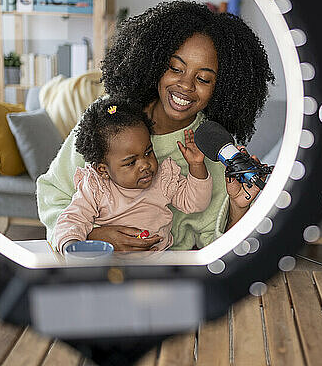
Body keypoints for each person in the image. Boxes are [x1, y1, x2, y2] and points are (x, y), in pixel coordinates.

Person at [37, 0, 274, 251]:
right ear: (156, 63)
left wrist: (239, 208)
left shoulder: (212, 146)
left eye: (203, 78)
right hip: (93, 266)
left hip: (165, 271)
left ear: (223, 87)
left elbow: (216, 247)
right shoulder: (110, 120)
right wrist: (94, 237)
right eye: (175, 68)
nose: (186, 85)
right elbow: (54, 192)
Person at [52, 97, 213, 253]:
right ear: (103, 170)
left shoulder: (163, 180)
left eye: (148, 152)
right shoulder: (96, 188)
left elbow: (195, 203)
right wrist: (72, 246)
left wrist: (197, 165)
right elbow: (72, 220)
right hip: (109, 263)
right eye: (130, 162)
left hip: (158, 262)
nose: (145, 165)